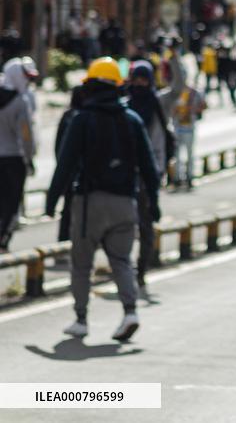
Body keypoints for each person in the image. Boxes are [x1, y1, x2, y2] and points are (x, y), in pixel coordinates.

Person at [44, 58, 160, 341]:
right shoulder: (132, 120)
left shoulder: (81, 119)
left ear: (91, 86)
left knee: (82, 263)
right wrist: (154, 202)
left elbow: (66, 164)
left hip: (89, 203)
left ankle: (81, 319)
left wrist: (52, 201)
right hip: (125, 203)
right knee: (121, 259)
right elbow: (149, 167)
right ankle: (130, 311)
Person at [125, 60, 176, 293]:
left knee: (146, 223)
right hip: (126, 173)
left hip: (151, 173)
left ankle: (141, 269)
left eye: (144, 80)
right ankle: (124, 269)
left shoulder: (159, 104)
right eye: (136, 79)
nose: (140, 84)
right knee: (122, 224)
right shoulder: (124, 105)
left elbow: (179, 88)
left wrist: (174, 57)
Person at [0, 59, 36, 252]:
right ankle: (3, 240)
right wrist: (30, 159)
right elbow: (27, 136)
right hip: (13, 158)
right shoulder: (20, 102)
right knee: (11, 202)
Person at [54, 86, 87, 242]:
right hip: (81, 172)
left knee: (67, 210)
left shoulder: (68, 116)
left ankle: (63, 242)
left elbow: (58, 146)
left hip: (68, 171)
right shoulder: (84, 118)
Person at [171, 72, 206, 191]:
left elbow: (204, 105)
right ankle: (177, 178)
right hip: (177, 127)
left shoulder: (194, 93)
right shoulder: (174, 93)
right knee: (176, 155)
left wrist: (193, 109)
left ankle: (189, 177)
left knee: (190, 154)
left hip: (189, 128)